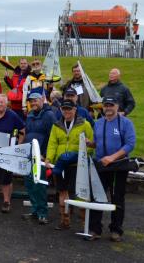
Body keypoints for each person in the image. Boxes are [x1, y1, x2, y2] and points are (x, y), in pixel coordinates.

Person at [87, 97, 136, 242]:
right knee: (97, 196)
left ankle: (116, 230)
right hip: (101, 165)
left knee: (117, 197)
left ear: (117, 106)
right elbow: (98, 143)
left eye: (111, 105)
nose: (108, 108)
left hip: (119, 165)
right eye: (106, 105)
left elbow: (130, 144)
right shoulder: (98, 123)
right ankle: (95, 229)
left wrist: (113, 157)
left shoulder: (126, 123)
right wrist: (90, 144)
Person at [45, 100, 93, 230]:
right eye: (64, 109)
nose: (67, 111)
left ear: (75, 109)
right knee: (62, 191)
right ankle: (64, 220)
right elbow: (52, 143)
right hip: (59, 164)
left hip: (77, 164)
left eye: (69, 109)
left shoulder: (85, 124)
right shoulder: (56, 125)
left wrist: (79, 155)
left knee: (80, 194)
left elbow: (92, 145)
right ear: (61, 110)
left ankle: (84, 223)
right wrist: (49, 158)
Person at [22, 93, 57, 224]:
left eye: (36, 100)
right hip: (29, 155)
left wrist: (46, 154)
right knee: (30, 184)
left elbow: (53, 137)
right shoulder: (30, 115)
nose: (33, 103)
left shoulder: (49, 115)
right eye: (31, 101)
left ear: (42, 100)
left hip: (41, 156)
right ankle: (35, 210)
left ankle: (43, 213)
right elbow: (28, 134)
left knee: (39, 185)